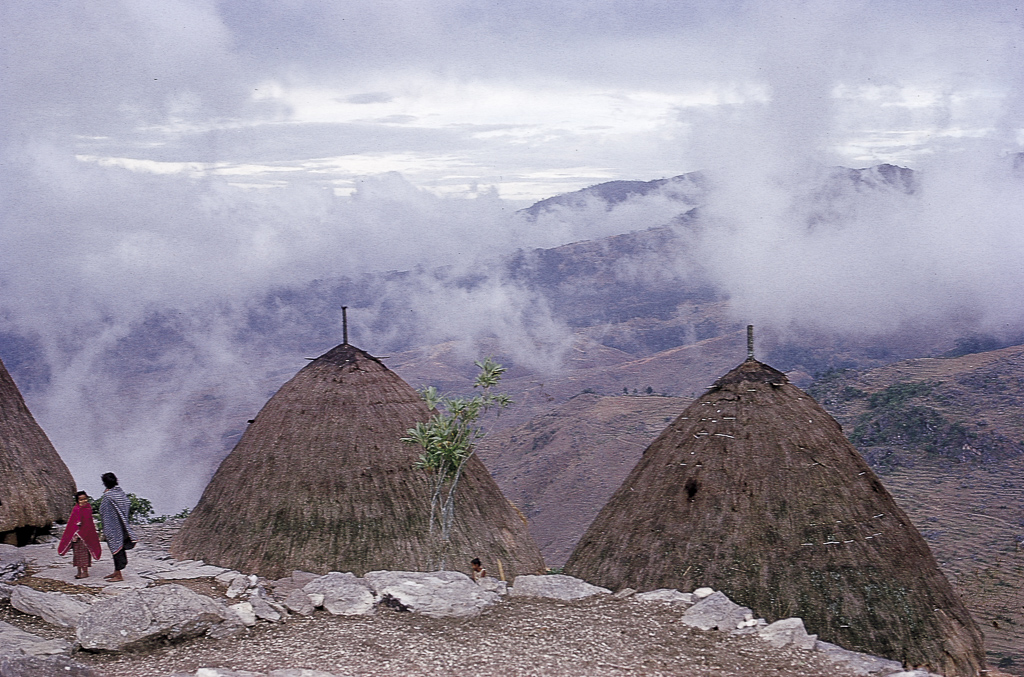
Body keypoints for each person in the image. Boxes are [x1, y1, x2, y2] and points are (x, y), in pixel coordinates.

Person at [99, 472, 136, 582]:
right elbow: (127, 504)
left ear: (104, 483)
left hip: (113, 526)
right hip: (121, 525)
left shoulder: (108, 496)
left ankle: (119, 575)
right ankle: (116, 571)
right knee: (119, 547)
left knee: (116, 548)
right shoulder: (120, 493)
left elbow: (103, 510)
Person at [57, 491, 102, 579]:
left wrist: (82, 532)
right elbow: (72, 523)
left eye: (85, 499)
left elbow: (88, 524)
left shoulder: (88, 509)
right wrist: (74, 533)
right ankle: (78, 571)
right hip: (76, 536)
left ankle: (85, 572)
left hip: (85, 536)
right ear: (77, 501)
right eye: (81, 500)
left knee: (84, 554)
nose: (83, 501)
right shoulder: (76, 509)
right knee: (77, 554)